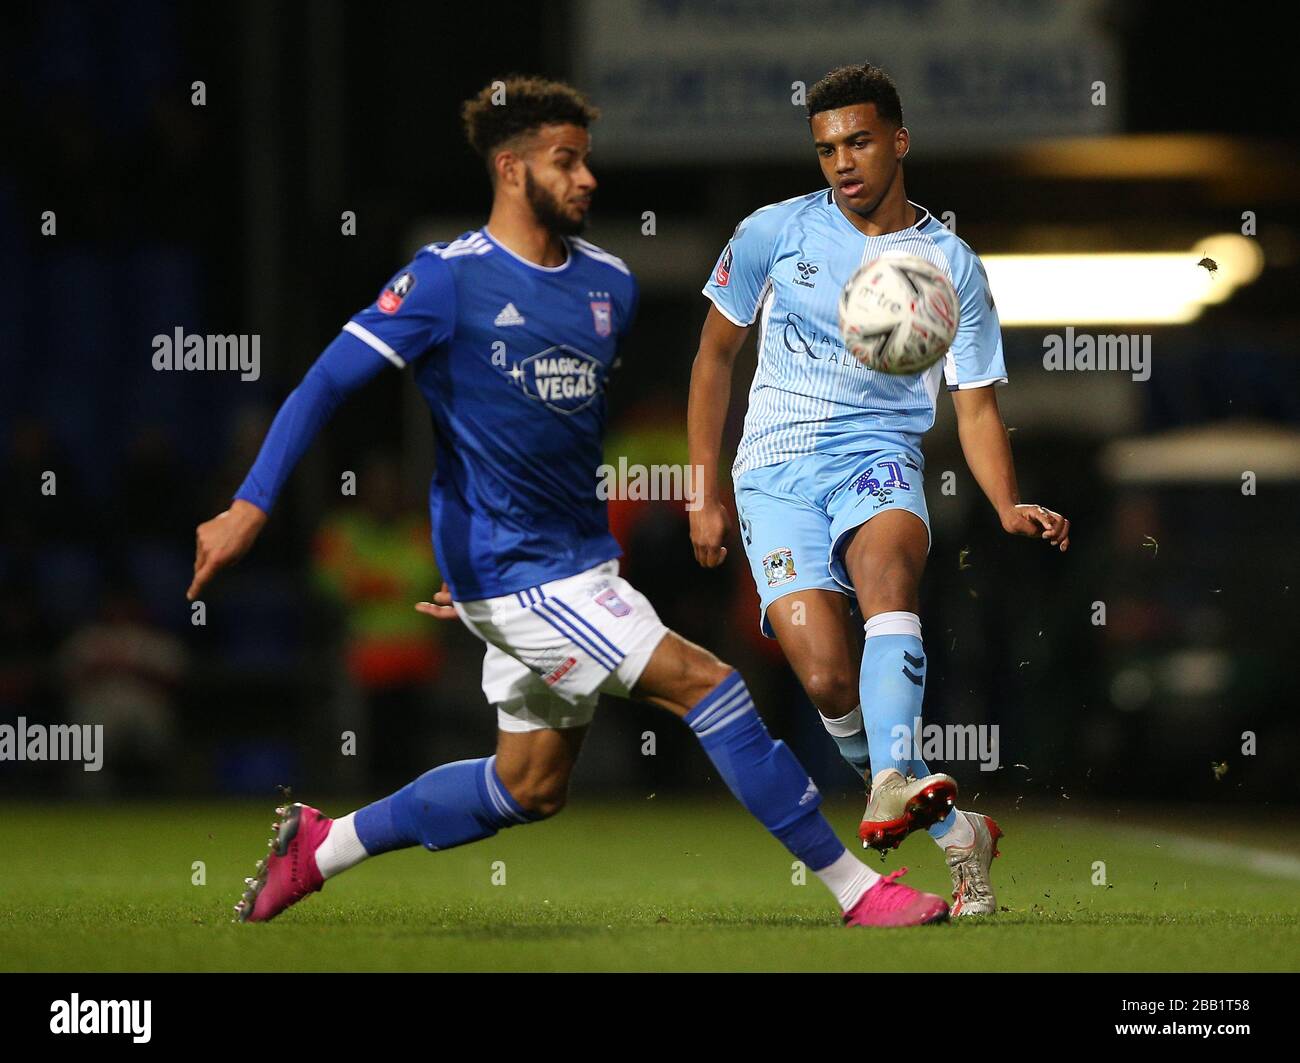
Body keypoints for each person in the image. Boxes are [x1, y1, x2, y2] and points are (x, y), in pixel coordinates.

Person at [188, 76, 948, 928]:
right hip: (527, 574)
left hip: (555, 567)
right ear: (511, 170)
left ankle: (319, 847)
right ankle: (858, 888)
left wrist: (487, 598)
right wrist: (252, 503)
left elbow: (547, 441)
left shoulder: (607, 288)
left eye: (587, 161)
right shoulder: (445, 281)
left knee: (529, 785)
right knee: (712, 685)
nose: (587, 180)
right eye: (566, 162)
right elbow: (326, 383)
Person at [686, 63, 1071, 916]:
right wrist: (700, 490)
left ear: (899, 140)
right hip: (773, 472)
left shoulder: (950, 265)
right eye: (825, 148)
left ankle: (892, 777)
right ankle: (951, 829)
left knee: (891, 576)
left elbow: (974, 404)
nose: (842, 162)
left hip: (880, 456)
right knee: (826, 680)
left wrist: (1006, 502)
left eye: (858, 141)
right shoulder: (770, 234)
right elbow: (714, 358)